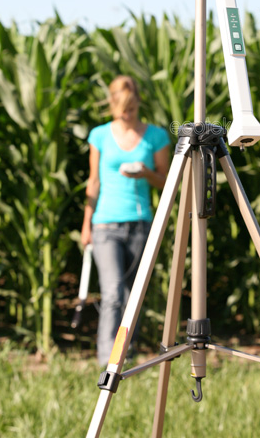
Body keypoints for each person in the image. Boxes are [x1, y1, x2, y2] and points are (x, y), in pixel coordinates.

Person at [80, 75, 170, 366]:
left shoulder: (156, 136)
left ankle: (125, 353)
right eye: (121, 108)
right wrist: (86, 223)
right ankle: (107, 360)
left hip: (141, 222)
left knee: (133, 295)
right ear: (112, 105)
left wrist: (146, 173)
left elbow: (166, 181)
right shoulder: (100, 135)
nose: (126, 114)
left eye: (131, 108)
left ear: (138, 103)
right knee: (113, 294)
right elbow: (93, 181)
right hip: (105, 224)